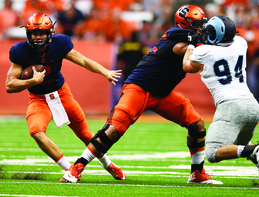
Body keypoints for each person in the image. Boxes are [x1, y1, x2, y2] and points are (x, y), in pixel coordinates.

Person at [62, 5, 223, 185]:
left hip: (162, 94)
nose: (201, 28)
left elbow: (198, 51)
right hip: (139, 88)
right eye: (197, 24)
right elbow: (186, 48)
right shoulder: (176, 35)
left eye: (202, 24)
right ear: (185, 24)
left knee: (197, 123)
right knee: (114, 129)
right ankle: (76, 167)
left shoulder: (190, 41)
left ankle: (197, 173)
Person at [5, 13, 125, 181]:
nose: (38, 37)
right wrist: (33, 80)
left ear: (50, 33)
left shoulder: (60, 44)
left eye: (42, 33)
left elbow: (83, 60)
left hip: (62, 94)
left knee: (85, 135)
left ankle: (108, 164)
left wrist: (105, 72)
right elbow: (9, 85)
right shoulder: (20, 51)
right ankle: (69, 168)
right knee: (36, 131)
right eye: (34, 33)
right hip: (38, 99)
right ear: (28, 34)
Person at [182, 15, 259, 187]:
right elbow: (224, 41)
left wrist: (192, 44)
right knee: (242, 145)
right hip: (252, 105)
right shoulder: (240, 43)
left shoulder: (204, 52)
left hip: (231, 106)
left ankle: (257, 149)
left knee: (213, 153)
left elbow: (187, 65)